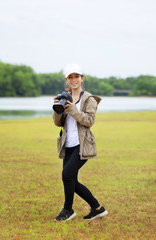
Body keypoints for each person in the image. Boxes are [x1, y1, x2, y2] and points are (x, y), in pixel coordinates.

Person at [53, 63, 108, 221]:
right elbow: (58, 123)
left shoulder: (89, 99)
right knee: (71, 179)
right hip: (67, 145)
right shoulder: (65, 97)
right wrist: (58, 108)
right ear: (67, 80)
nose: (74, 80)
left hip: (82, 145)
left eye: (77, 76)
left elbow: (89, 121)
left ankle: (68, 210)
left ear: (82, 78)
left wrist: (72, 109)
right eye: (70, 77)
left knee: (66, 176)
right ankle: (97, 208)